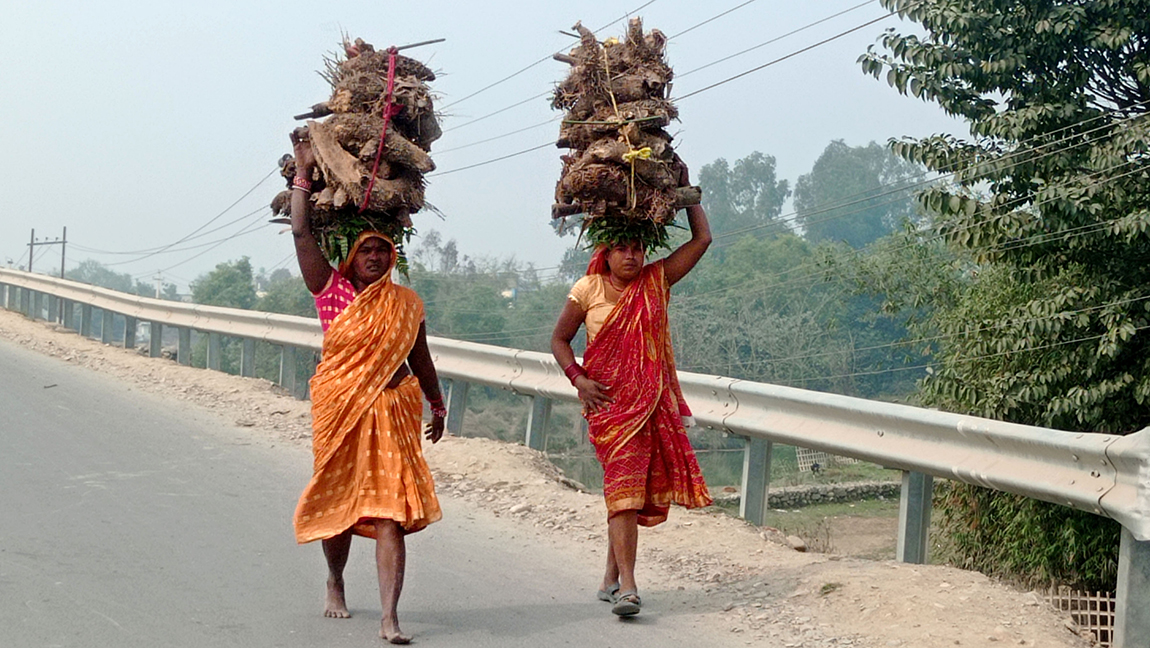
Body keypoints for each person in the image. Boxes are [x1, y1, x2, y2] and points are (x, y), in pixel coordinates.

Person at [288, 130, 446, 645]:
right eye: (366, 250)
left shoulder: (405, 303)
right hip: (340, 408)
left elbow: (418, 355)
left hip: (394, 409)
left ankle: (389, 617)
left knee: (389, 514)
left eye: (383, 250)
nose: (375, 258)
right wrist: (304, 172)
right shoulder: (329, 289)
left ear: (392, 256)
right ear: (352, 256)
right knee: (337, 501)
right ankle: (335, 579)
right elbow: (300, 234)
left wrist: (437, 401)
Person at [550, 158, 713, 617]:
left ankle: (610, 577)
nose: (631, 256)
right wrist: (578, 379)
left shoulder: (656, 281)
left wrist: (686, 191)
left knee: (628, 493)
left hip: (650, 404)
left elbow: (703, 240)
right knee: (622, 490)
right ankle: (630, 587)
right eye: (621, 248)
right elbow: (559, 339)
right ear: (606, 251)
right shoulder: (587, 289)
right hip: (609, 409)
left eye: (637, 248)